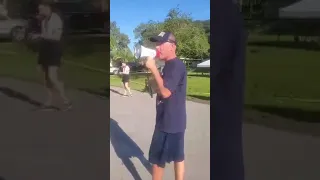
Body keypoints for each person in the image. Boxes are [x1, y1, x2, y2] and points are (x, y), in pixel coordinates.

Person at [144, 31, 187, 180]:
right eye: (157, 44)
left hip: (168, 121)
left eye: (161, 43)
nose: (158, 47)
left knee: (157, 160)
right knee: (178, 156)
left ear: (172, 46)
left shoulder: (175, 65)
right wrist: (153, 75)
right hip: (175, 120)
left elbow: (166, 92)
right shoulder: (169, 65)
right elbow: (159, 88)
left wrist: (154, 68)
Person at [32, 2, 71, 111]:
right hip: (45, 50)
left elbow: (56, 37)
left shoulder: (56, 19)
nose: (39, 12)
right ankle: (49, 101)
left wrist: (40, 36)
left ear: (47, 8)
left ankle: (66, 100)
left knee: (52, 76)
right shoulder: (44, 21)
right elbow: (44, 39)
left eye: (41, 9)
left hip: (54, 49)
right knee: (46, 78)